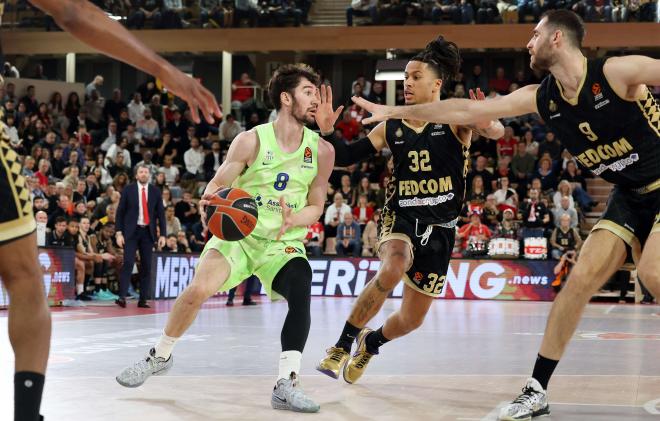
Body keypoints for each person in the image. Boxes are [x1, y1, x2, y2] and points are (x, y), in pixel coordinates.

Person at [352, 10, 659, 420]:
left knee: (652, 272)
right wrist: (393, 113)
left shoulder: (618, 71)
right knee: (578, 282)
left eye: (534, 35)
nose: (527, 43)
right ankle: (536, 390)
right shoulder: (541, 96)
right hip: (628, 194)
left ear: (556, 39)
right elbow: (463, 112)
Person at [116, 63, 339, 413]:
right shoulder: (250, 140)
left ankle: (286, 383)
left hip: (282, 242)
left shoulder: (322, 151)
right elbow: (217, 186)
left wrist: (295, 218)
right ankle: (160, 355)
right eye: (308, 92)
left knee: (302, 288)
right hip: (239, 234)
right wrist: (216, 198)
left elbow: (317, 205)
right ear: (285, 98)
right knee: (197, 291)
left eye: (317, 92)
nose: (316, 100)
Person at [316, 37, 503, 384]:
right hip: (400, 215)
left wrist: (488, 124)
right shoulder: (391, 125)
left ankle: (370, 343)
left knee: (412, 319)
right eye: (405, 78)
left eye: (415, 77)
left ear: (437, 84)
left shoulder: (454, 120)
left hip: (442, 226)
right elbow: (344, 158)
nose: (407, 83)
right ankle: (340, 346)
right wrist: (327, 130)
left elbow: (496, 130)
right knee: (394, 265)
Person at [115, 164, 167, 308]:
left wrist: (163, 234)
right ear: (136, 175)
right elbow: (120, 212)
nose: (144, 174)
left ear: (149, 175)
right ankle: (122, 297)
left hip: (147, 233)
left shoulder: (155, 191)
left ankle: (143, 299)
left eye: (146, 172)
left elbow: (161, 215)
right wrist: (118, 232)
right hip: (131, 232)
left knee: (146, 266)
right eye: (141, 172)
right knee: (128, 263)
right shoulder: (128, 190)